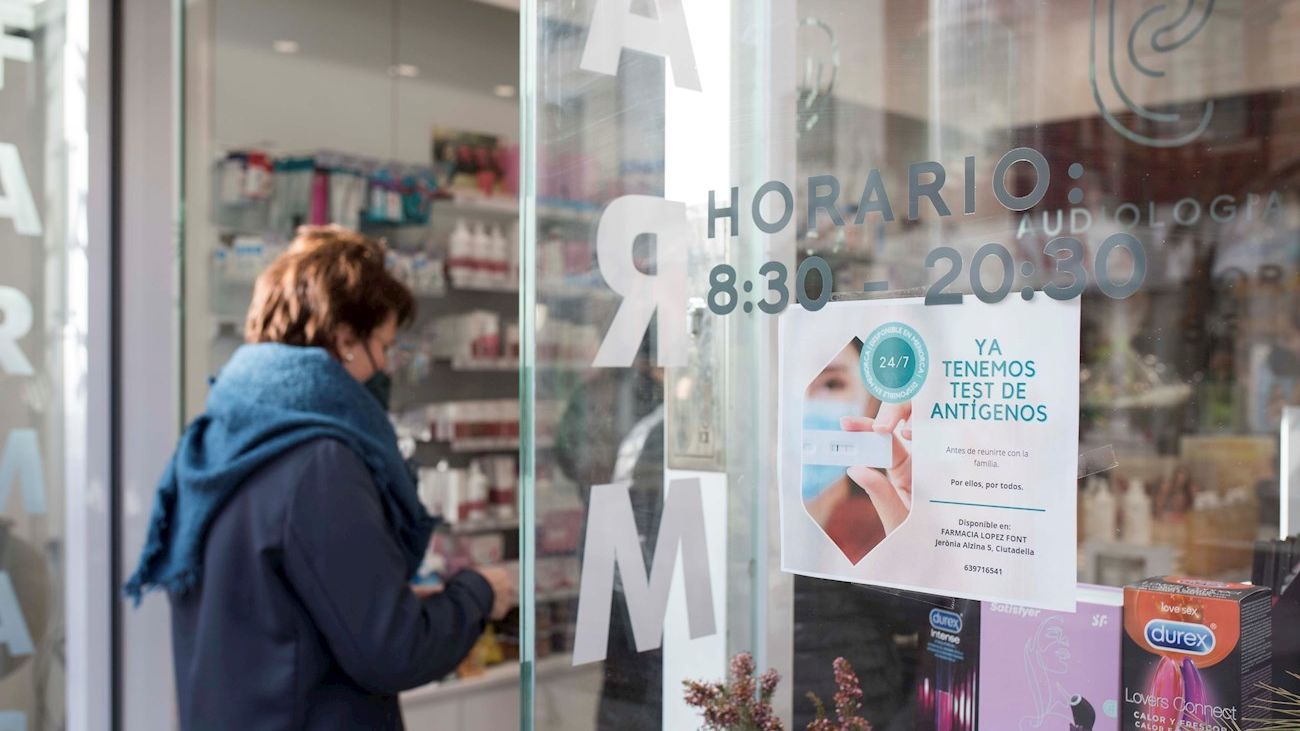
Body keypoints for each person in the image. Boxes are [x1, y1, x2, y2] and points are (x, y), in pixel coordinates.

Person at [124, 226, 516, 730]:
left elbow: (264, 611)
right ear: (345, 338)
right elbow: (393, 651)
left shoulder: (212, 437)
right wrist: (477, 594)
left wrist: (383, 600)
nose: (384, 366)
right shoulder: (320, 464)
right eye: (383, 346)